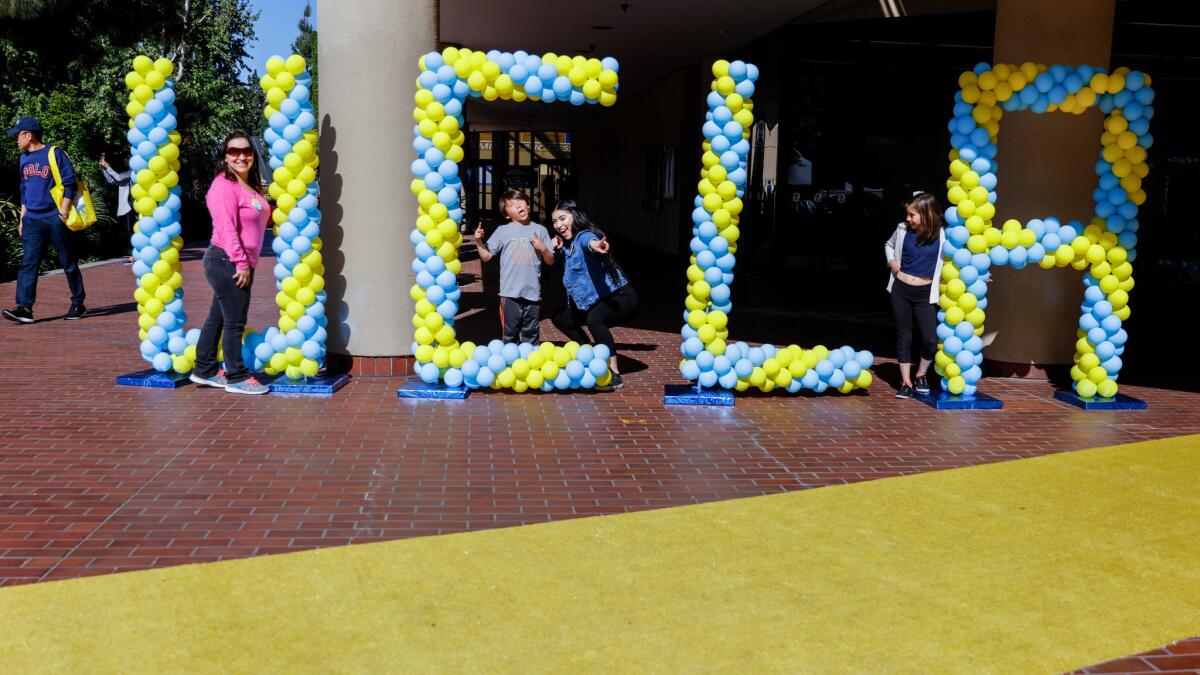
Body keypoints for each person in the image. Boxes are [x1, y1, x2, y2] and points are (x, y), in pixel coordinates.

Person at [189, 131, 272, 395]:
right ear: (225, 157)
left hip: (235, 260)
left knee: (219, 318)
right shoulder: (223, 186)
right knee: (235, 321)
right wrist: (241, 263)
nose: (241, 156)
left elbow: (256, 221)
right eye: (234, 152)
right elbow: (226, 228)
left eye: (246, 151)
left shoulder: (249, 186)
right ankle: (237, 375)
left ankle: (204, 369)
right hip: (227, 258)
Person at [3, 116, 86, 324]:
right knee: (28, 264)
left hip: (54, 217)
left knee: (67, 262)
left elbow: (69, 183)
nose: (16, 140)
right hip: (32, 219)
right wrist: (22, 219)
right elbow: (24, 190)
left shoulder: (54, 153)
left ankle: (78, 302)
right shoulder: (23, 159)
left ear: (28, 135)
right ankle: (24, 308)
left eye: (18, 135)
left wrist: (63, 213)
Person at [549, 200, 638, 390]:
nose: (558, 225)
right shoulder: (566, 245)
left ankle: (614, 373)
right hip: (596, 300)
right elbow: (555, 266)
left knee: (594, 318)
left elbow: (590, 242)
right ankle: (589, 354)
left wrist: (596, 245)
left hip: (620, 297)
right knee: (561, 318)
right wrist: (553, 249)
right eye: (554, 221)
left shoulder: (584, 236)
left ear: (575, 216)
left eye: (562, 218)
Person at [884, 192, 946, 399]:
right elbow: (889, 245)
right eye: (907, 215)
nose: (908, 219)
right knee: (905, 336)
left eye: (912, 215)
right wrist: (892, 262)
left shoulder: (943, 235)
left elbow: (960, 260)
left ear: (927, 214)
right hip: (900, 289)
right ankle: (906, 382)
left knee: (930, 339)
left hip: (924, 294)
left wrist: (982, 277)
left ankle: (920, 374)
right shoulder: (902, 230)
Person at [473, 188, 555, 344]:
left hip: (532, 292)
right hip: (509, 292)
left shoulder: (540, 230)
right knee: (510, 335)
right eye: (511, 205)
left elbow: (550, 260)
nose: (518, 206)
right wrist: (478, 241)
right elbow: (486, 256)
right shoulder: (502, 230)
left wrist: (543, 248)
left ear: (528, 204)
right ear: (506, 214)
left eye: (520, 201)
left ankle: (531, 365)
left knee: (531, 336)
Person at [98, 152, 134, 264]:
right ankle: (134, 256)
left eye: (126, 158)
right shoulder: (126, 173)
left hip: (131, 207)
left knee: (131, 232)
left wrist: (107, 166)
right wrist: (103, 169)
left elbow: (118, 178)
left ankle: (135, 256)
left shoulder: (133, 173)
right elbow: (112, 181)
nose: (124, 160)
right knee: (127, 232)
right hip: (125, 207)